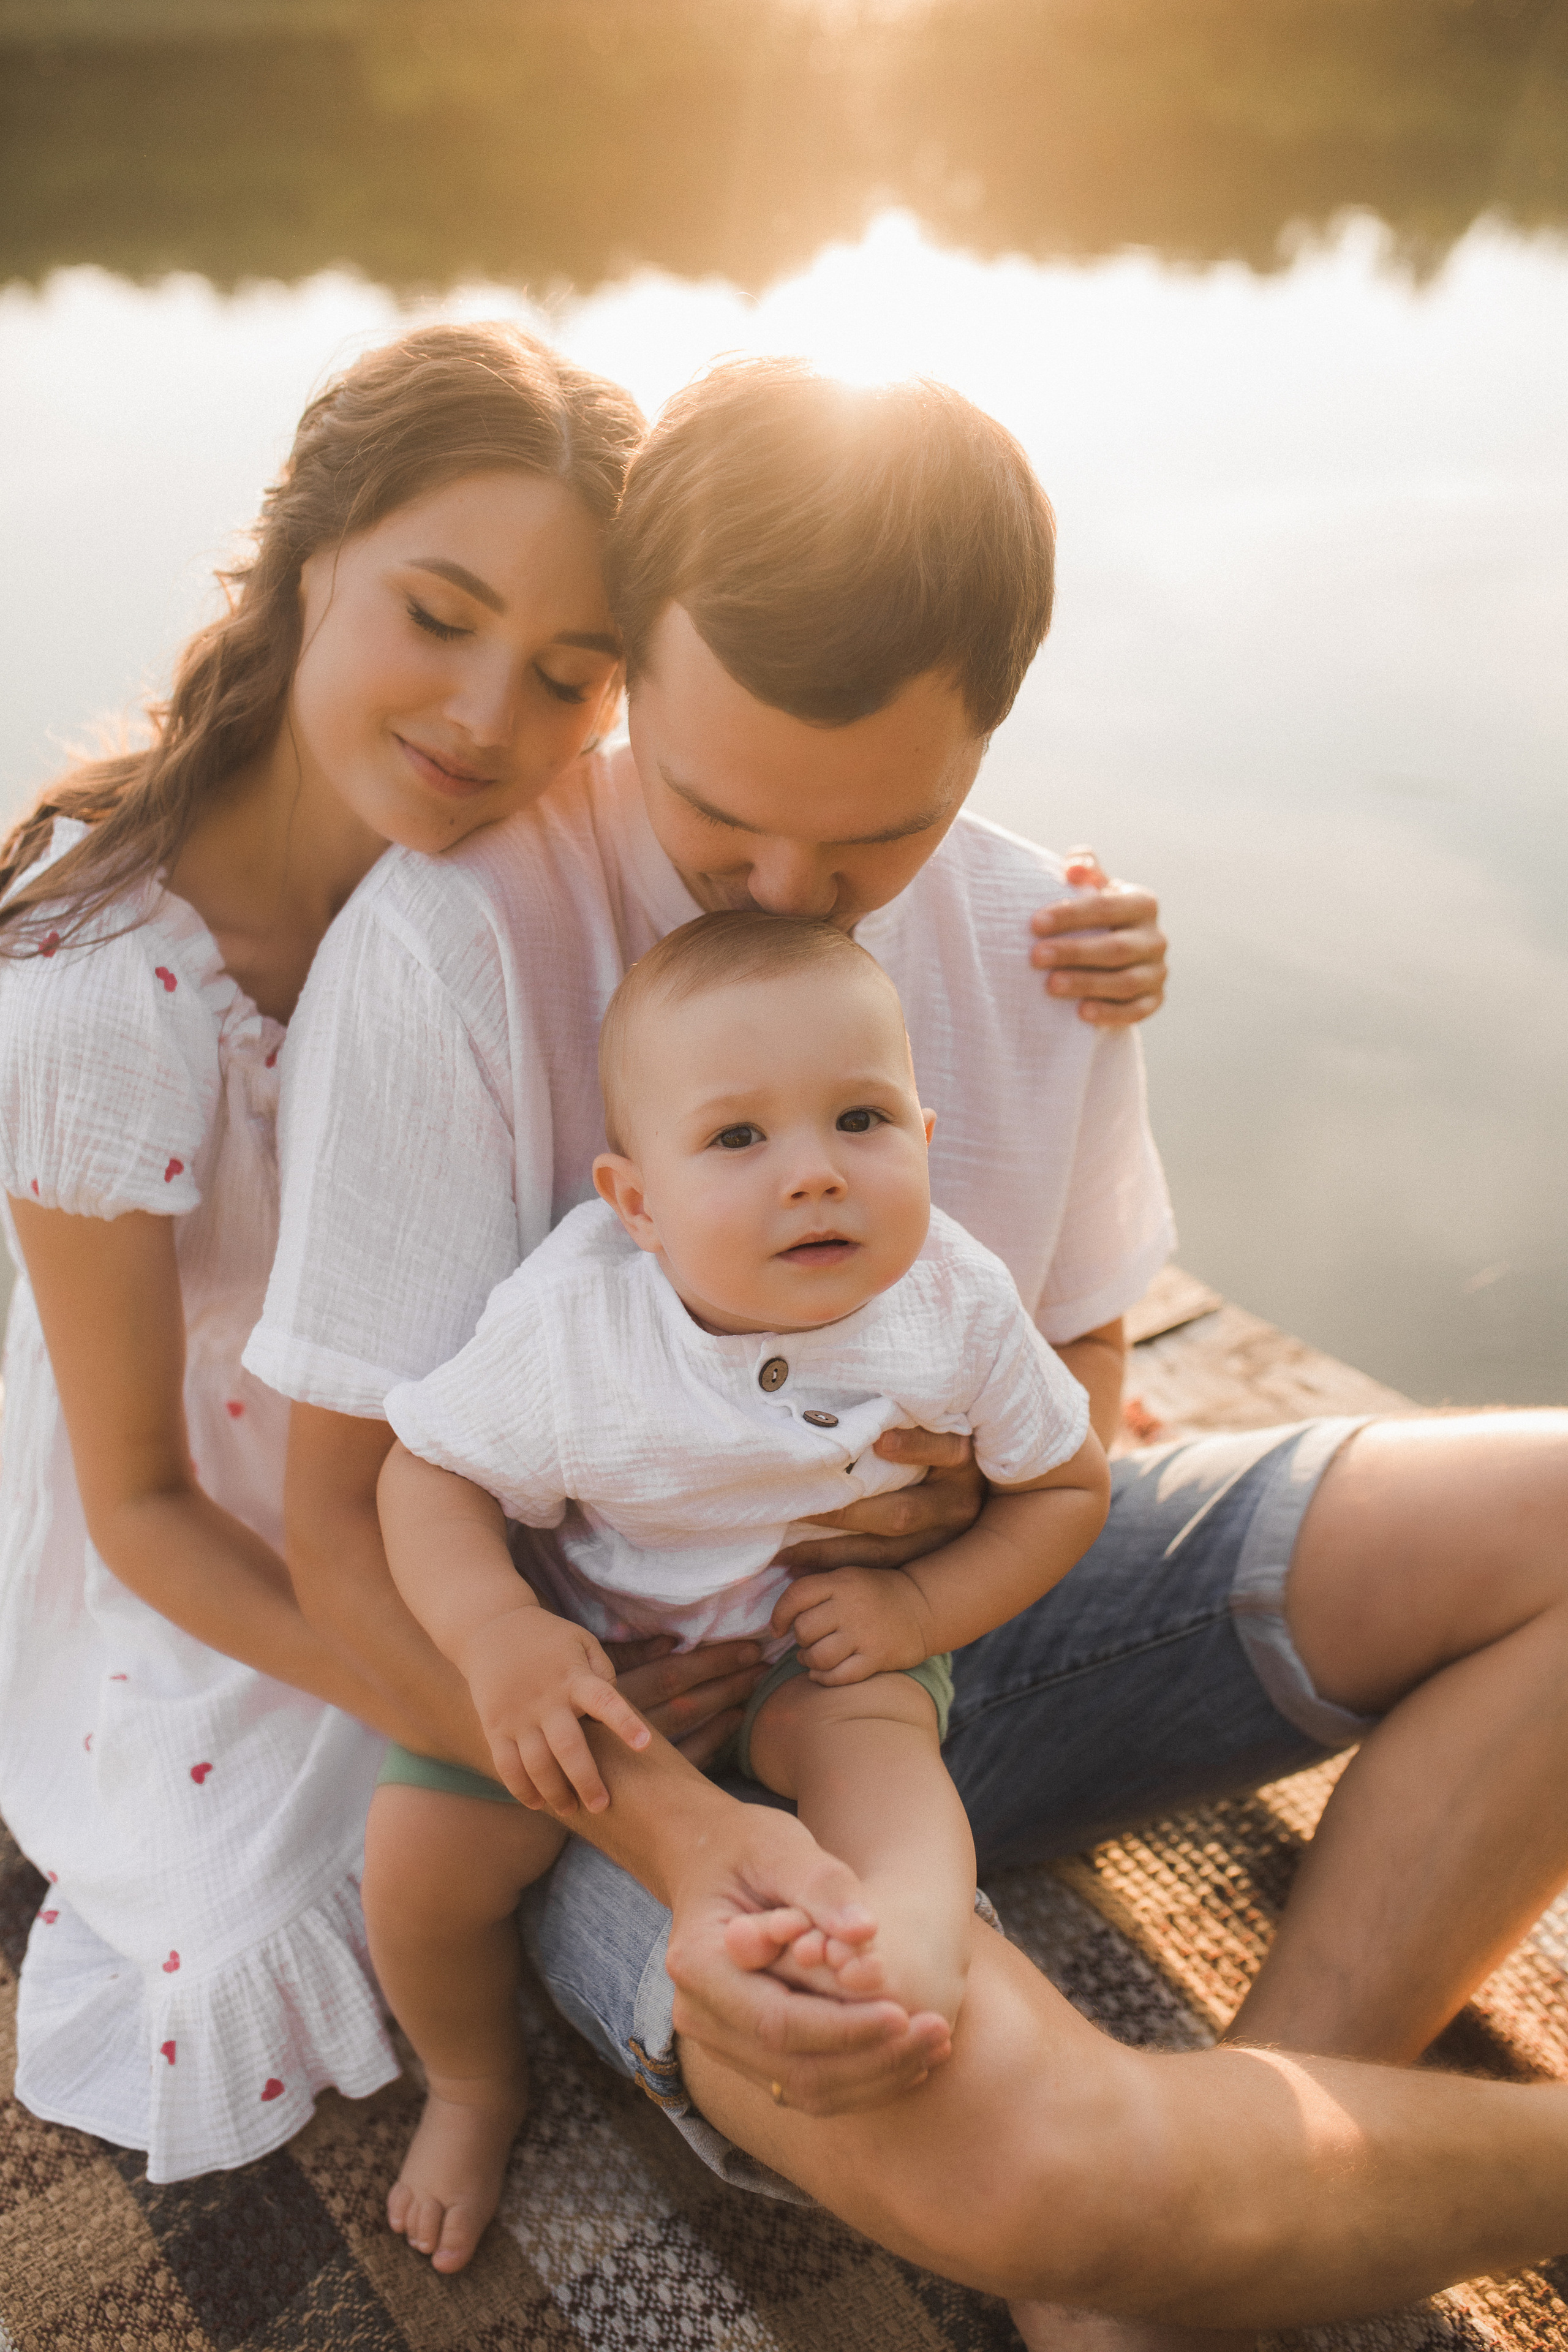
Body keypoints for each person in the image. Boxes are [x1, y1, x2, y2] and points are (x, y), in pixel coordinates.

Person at [257, 352, 1568, 2338]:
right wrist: (683, 1834)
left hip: (939, 1642)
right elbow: (349, 1525)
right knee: (1043, 2162)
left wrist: (957, 1539)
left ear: (986, 741)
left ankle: (1252, 2126)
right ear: (635, 671)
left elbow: (1087, 1380)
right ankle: (1167, 2209)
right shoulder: (448, 946)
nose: (790, 895)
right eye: (713, 813)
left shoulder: (1048, 934)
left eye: (878, 838)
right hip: (619, 1744)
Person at [0, 326, 1156, 2186]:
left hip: (485, 1509)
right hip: (247, 1555)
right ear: (306, 562)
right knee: (357, 1890)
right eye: (434, 618)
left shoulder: (521, 887)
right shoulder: (102, 998)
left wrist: (1079, 938)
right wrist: (616, 1771)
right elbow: (146, 1502)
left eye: (567, 674)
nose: (487, 720)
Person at [368, 910, 1109, 2267]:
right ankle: (473, 2082)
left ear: (925, 1140)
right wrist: (499, 1635)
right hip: (594, 1643)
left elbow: (1066, 1488)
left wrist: (922, 1612)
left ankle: (910, 1949)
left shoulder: (955, 1300)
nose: (814, 1177)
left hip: (807, 1631)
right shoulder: (577, 1324)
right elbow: (426, 1478)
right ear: (634, 1203)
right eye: (737, 1140)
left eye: (860, 1121)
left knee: (878, 1751)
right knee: (417, 1871)